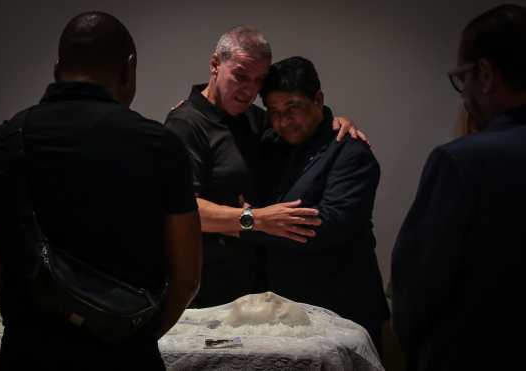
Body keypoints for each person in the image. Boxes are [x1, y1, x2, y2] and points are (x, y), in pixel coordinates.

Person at [0, 11, 202, 371]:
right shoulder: (159, 146)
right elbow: (187, 277)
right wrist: (135, 335)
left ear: (56, 68)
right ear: (129, 68)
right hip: (126, 359)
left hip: (29, 355)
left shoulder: (2, 142)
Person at [164, 26, 364, 308]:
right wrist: (254, 219)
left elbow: (304, 125)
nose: (249, 90)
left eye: (259, 80)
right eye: (241, 76)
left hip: (258, 284)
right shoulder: (186, 124)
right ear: (214, 65)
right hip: (206, 284)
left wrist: (336, 120)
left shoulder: (256, 118)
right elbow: (181, 209)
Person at [391, 4, 526, 370]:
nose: (463, 95)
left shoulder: (462, 162)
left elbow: (415, 288)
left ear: (485, 74)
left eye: (461, 79)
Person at [244, 56, 389, 353]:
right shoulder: (271, 146)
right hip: (286, 313)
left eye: (292, 108)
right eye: (273, 112)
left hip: (343, 313)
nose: (283, 121)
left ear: (318, 99)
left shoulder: (351, 152)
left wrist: (248, 224)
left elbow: (326, 226)